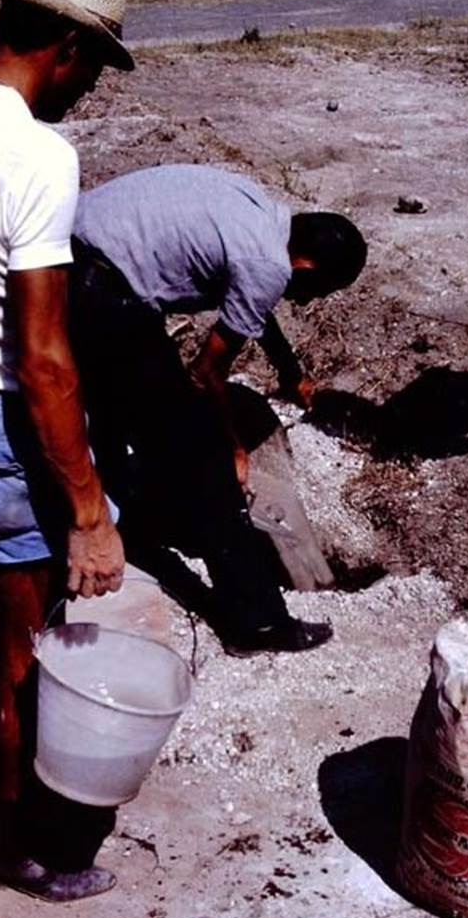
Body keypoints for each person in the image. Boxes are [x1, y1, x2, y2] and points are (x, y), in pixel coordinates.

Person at [0, 0, 133, 902]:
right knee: (23, 633)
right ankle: (10, 842)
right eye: (96, 68)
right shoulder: (37, 157)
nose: (92, 87)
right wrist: (89, 511)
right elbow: (43, 361)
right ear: (65, 50)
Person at [68, 164, 367, 652]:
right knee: (202, 454)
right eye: (314, 294)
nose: (307, 304)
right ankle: (258, 621)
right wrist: (232, 448)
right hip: (105, 295)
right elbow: (205, 374)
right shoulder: (269, 265)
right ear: (305, 267)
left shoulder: (258, 212)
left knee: (111, 417)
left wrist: (289, 372)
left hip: (65, 260)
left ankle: (131, 530)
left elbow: (249, 305)